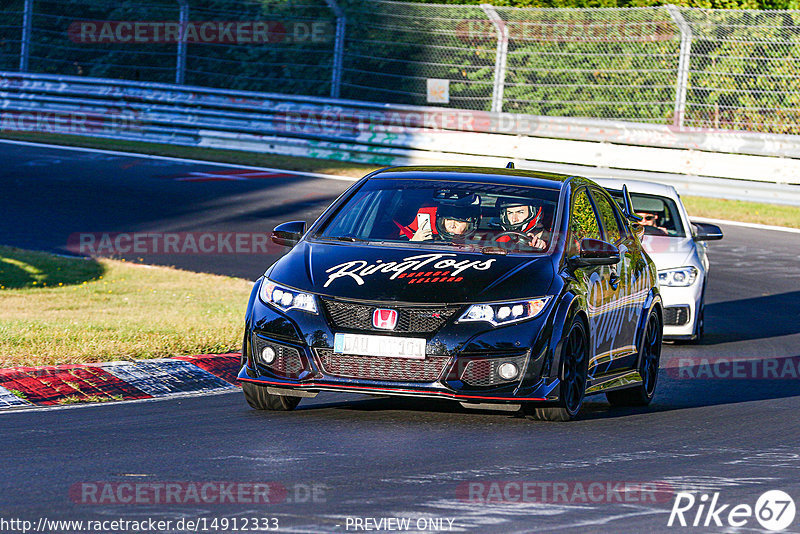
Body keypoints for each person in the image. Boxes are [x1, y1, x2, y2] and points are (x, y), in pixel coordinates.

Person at [410, 194, 481, 242]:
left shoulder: (482, 243)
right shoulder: (427, 239)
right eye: (448, 220)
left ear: (469, 223)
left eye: (459, 222)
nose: (452, 226)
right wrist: (414, 242)